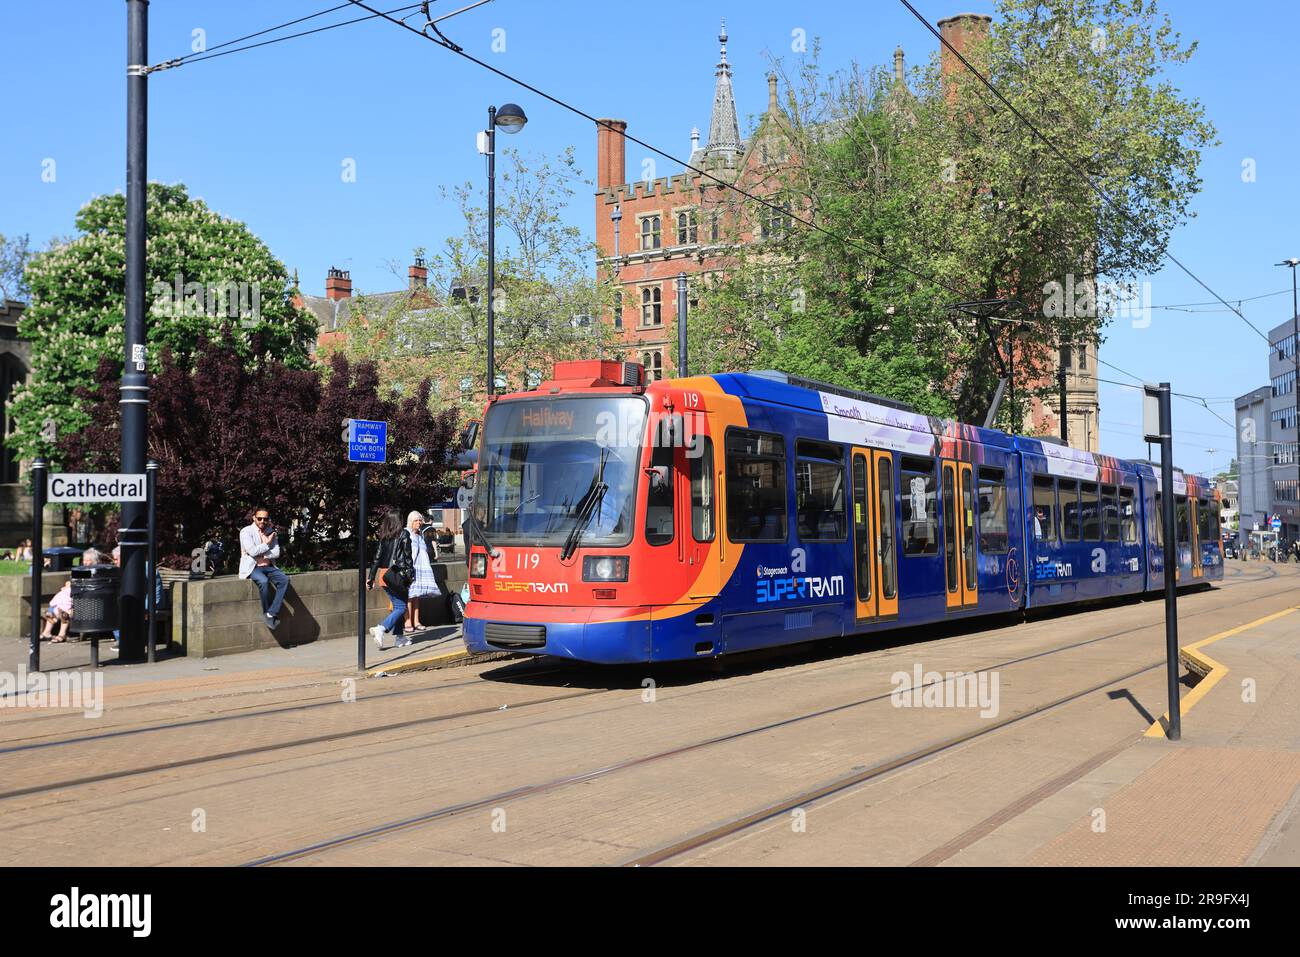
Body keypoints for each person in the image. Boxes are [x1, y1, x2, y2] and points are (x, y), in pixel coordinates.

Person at [367, 509, 413, 650]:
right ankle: (381, 628)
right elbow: (407, 557)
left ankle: (399, 637)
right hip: (397, 574)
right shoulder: (404, 534)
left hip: (384, 575)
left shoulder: (384, 536)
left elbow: (377, 558)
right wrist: (411, 575)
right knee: (401, 607)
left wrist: (370, 578)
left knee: (398, 605)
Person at [239, 507, 289, 630]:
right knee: (263, 581)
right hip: (253, 567)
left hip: (269, 566)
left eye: (265, 519)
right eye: (259, 518)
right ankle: (267, 613)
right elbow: (252, 551)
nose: (262, 521)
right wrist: (267, 544)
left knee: (284, 580)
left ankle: (270, 613)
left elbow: (277, 553)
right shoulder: (246, 532)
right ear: (254, 518)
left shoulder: (270, 531)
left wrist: (262, 554)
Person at [405, 510, 441, 632]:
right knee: (410, 596)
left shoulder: (420, 535)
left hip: (420, 568)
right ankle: (408, 621)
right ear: (411, 521)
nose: (419, 523)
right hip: (411, 569)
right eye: (416, 520)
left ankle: (416, 620)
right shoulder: (407, 534)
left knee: (417, 597)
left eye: (420, 520)